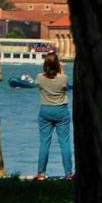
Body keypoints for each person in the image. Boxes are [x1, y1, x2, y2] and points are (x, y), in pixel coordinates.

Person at [35, 52, 73, 180]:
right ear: (57, 65)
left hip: (45, 110)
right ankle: (68, 173)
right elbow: (66, 86)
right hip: (61, 111)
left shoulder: (39, 77)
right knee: (65, 143)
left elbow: (41, 82)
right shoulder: (63, 78)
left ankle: (41, 173)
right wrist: (61, 69)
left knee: (44, 143)